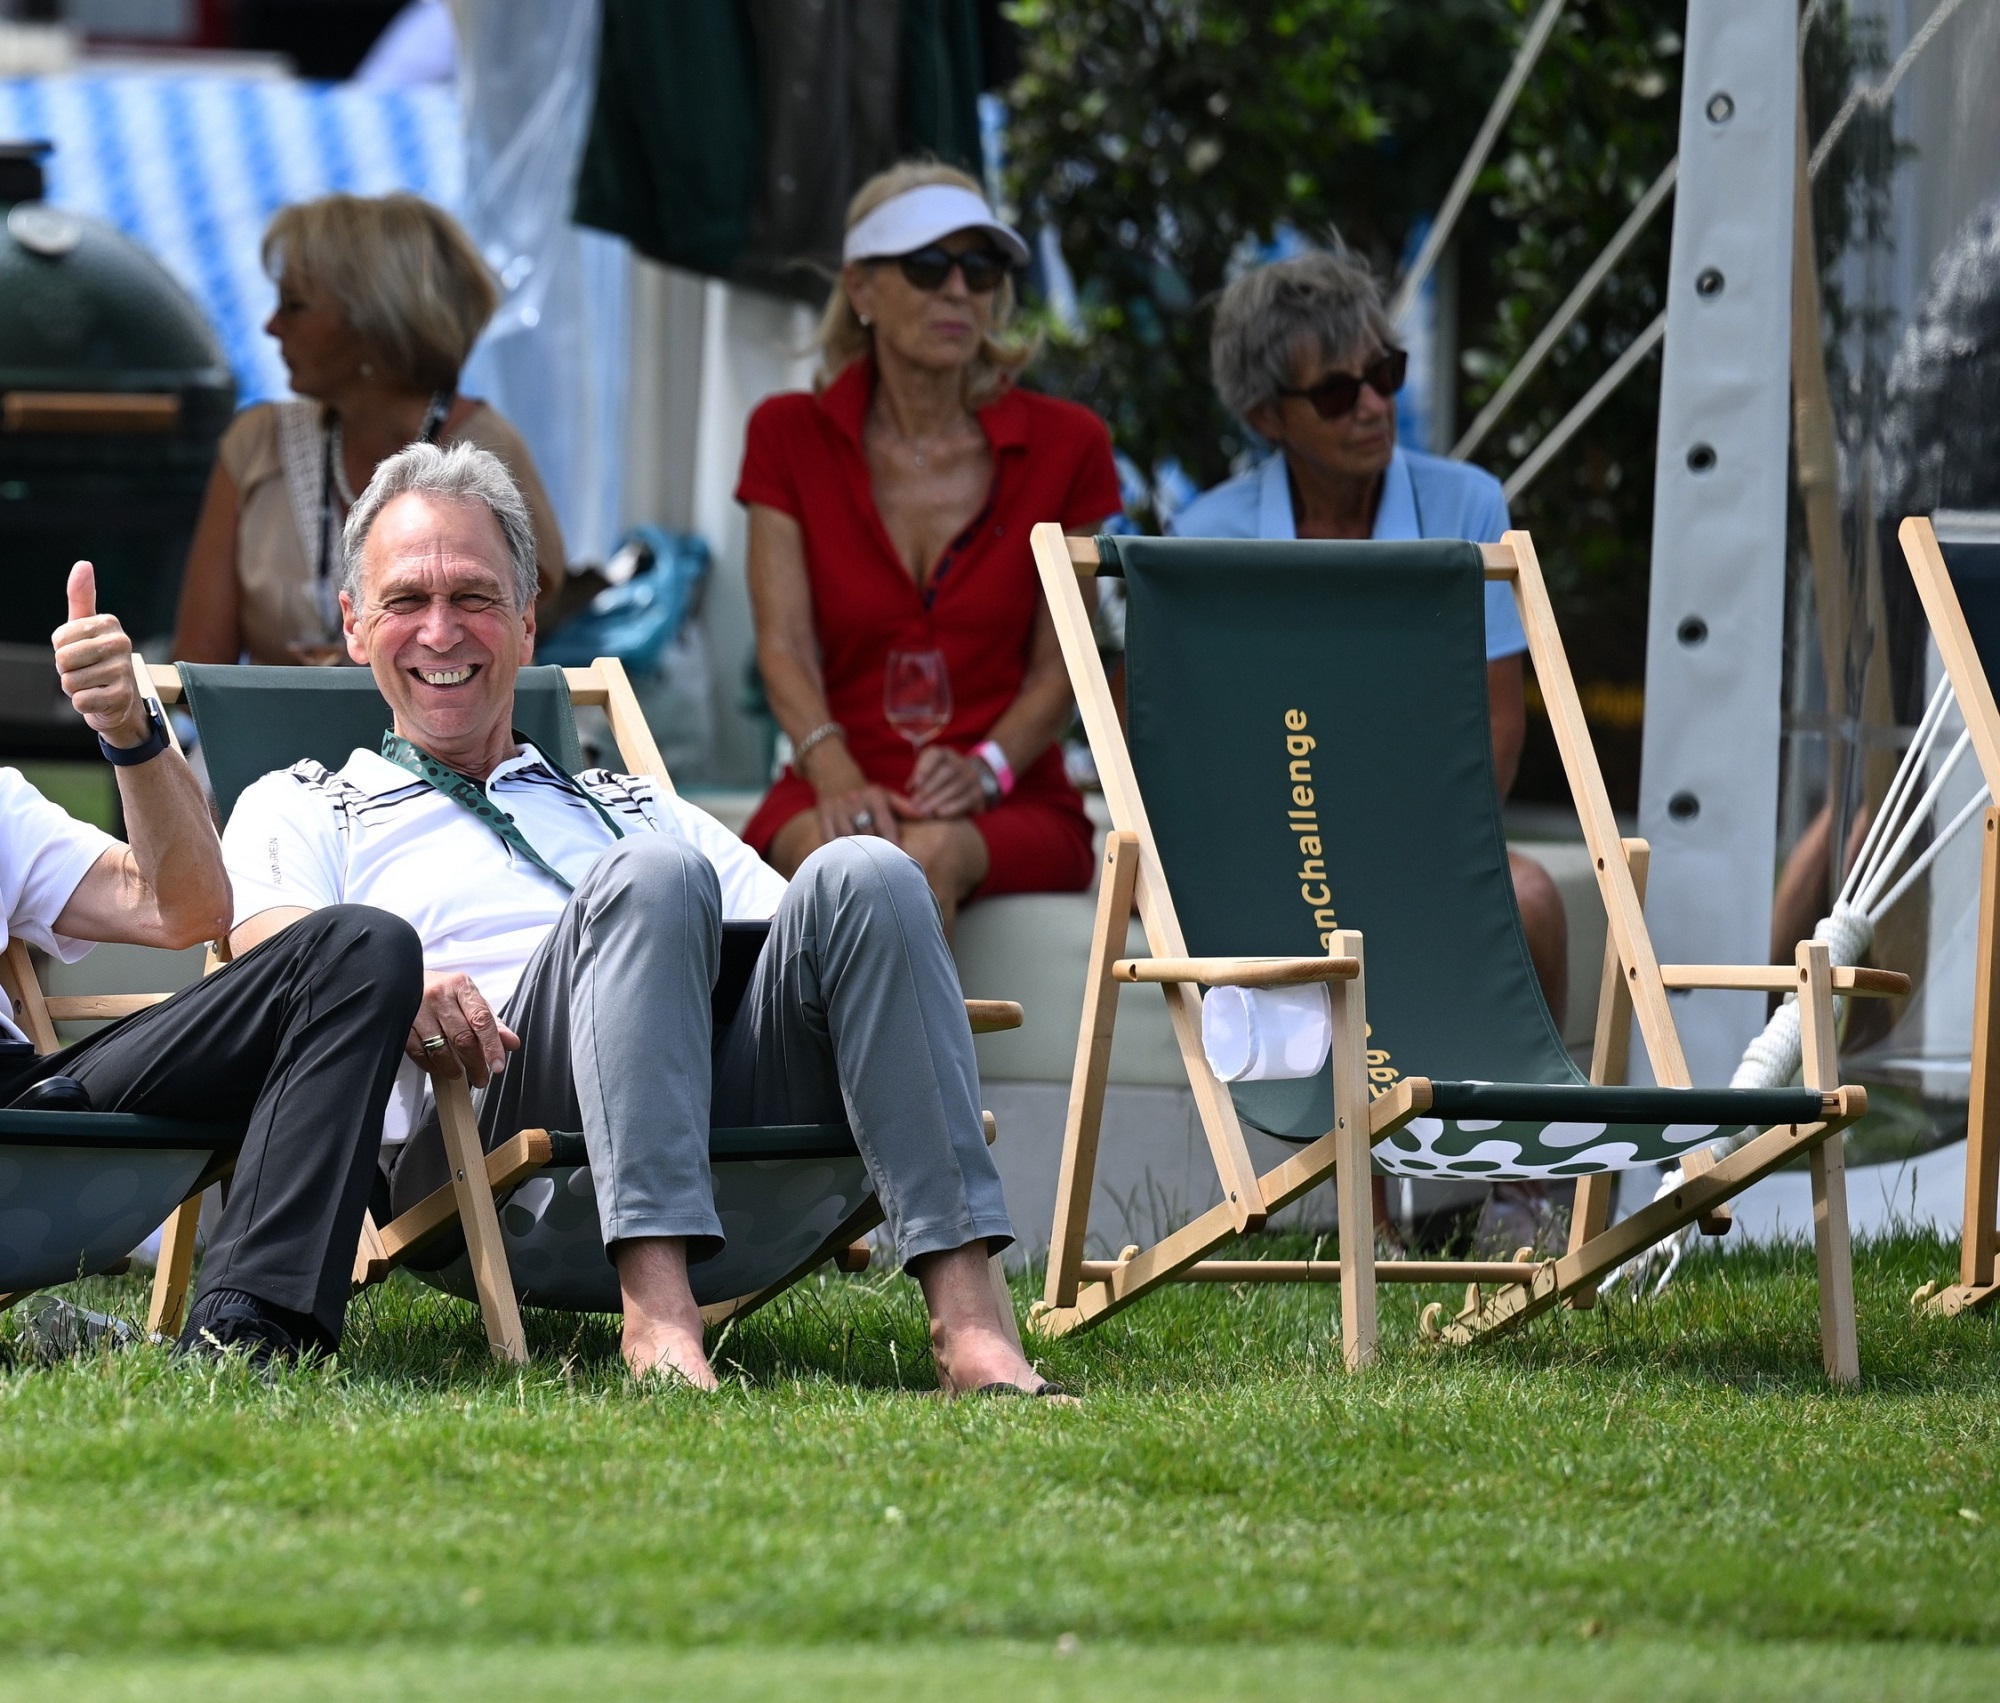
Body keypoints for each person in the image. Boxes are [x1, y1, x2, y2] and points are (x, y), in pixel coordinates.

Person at [220, 439, 1055, 1396]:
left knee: (871, 871)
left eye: (475, 597)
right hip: (484, 1139)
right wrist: (398, 987)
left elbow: (808, 940)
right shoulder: (308, 801)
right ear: (353, 624)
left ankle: (974, 1331)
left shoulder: (627, 802)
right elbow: (267, 944)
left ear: (527, 624)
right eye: (406, 599)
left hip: (707, 1130)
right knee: (652, 876)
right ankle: (659, 1320)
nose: (440, 631)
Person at [1171, 248, 1569, 1255]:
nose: (1373, 406)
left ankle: (1522, 1191)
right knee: (1353, 918)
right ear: (1265, 416)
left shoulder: (1467, 504)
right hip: (1270, 853)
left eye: (1384, 374)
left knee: (1530, 898)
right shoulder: (1204, 534)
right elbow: (1195, 751)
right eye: (1338, 390)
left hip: (1428, 840)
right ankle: (1385, 1212)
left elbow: (1498, 724)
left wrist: (1416, 854)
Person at [3, 562, 422, 1363]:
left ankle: (241, 1329)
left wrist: (130, 730)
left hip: (25, 1111)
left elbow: (190, 910)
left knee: (359, 948)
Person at [738, 162, 1122, 931]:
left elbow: (1064, 668)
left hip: (1008, 795)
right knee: (845, 856)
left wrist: (987, 769)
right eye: (926, 265)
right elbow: (783, 647)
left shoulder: (1069, 443)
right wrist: (835, 773)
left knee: (921, 858)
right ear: (862, 287)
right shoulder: (787, 433)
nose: (957, 290)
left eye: (980, 268)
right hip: (833, 777)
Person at [172, 192, 566, 666]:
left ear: (374, 321)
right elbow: (197, 665)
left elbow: (519, 659)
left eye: (294, 305)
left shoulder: (490, 452)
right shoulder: (256, 445)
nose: (271, 326)